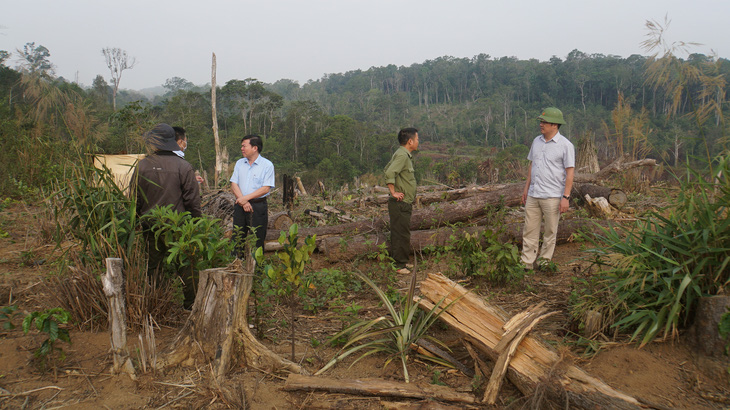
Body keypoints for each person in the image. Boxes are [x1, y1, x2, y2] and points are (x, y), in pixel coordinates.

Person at [132, 123, 201, 308]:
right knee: (186, 266)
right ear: (172, 142)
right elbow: (192, 200)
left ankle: (154, 304)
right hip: (177, 227)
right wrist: (196, 223)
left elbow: (134, 198)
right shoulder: (183, 167)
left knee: (153, 268)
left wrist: (136, 220)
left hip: (150, 226)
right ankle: (190, 306)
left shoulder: (142, 165)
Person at [521, 107, 575, 271]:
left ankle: (544, 262)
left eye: (544, 122)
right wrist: (526, 188)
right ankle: (526, 262)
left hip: (552, 196)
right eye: (541, 121)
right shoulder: (536, 141)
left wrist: (565, 197)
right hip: (533, 194)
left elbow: (569, 172)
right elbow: (532, 165)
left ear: (555, 125)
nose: (541, 124)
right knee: (529, 229)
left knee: (550, 231)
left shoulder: (565, 145)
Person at [230, 135, 275, 258]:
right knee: (237, 237)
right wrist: (243, 201)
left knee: (257, 238)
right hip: (240, 206)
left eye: (244, 146)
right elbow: (234, 183)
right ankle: (235, 266)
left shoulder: (267, 165)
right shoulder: (240, 163)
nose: (242, 148)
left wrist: (246, 198)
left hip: (258, 206)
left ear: (255, 148)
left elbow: (266, 188)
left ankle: (257, 271)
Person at [384, 127, 419, 274]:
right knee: (400, 234)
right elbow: (389, 172)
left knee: (403, 232)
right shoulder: (402, 156)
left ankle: (402, 262)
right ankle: (399, 266)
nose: (418, 142)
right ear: (410, 141)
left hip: (404, 203)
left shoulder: (402, 154)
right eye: (417, 139)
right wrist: (393, 192)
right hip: (400, 203)